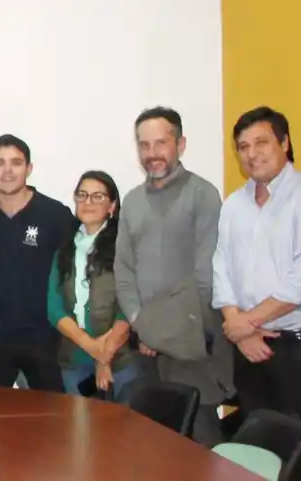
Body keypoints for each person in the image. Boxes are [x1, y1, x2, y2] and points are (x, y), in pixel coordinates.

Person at [213, 107, 301, 481]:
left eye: (261, 142)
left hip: (299, 349)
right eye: (243, 146)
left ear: (284, 143)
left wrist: (245, 324)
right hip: (249, 349)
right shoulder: (234, 204)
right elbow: (221, 269)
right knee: (255, 454)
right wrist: (237, 324)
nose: (252, 153)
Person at [114, 106, 230, 446]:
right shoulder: (133, 201)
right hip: (145, 350)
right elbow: (124, 270)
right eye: (144, 145)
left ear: (180, 144)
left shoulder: (203, 195)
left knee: (200, 447)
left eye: (160, 143)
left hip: (191, 347)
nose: (152, 154)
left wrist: (157, 333)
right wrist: (142, 327)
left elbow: (204, 278)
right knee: (153, 447)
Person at [0, 134, 71, 392]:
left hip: (45, 334)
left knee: (53, 420)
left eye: (16, 162)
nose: (7, 170)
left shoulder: (55, 215)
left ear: (29, 168)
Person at [47, 171, 137, 398]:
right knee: (80, 431)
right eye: (82, 195)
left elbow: (129, 305)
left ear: (112, 205)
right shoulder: (65, 248)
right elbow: (54, 307)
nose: (88, 202)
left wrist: (104, 356)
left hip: (120, 361)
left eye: (98, 196)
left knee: (122, 431)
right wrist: (91, 347)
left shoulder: (125, 247)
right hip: (74, 360)